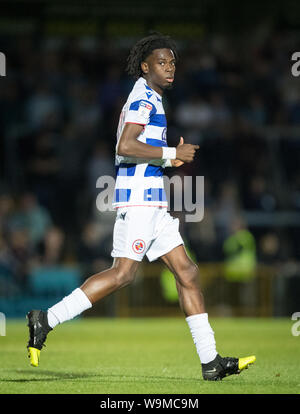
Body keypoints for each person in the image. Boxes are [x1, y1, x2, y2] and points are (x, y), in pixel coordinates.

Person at [26, 33, 255, 381]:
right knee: (123, 274)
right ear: (145, 66)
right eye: (162, 62)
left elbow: (135, 151)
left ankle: (211, 362)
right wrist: (170, 154)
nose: (170, 68)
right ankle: (46, 319)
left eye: (173, 62)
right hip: (139, 201)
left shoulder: (153, 98)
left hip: (154, 202)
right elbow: (125, 145)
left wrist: (167, 162)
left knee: (188, 273)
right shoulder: (143, 97)